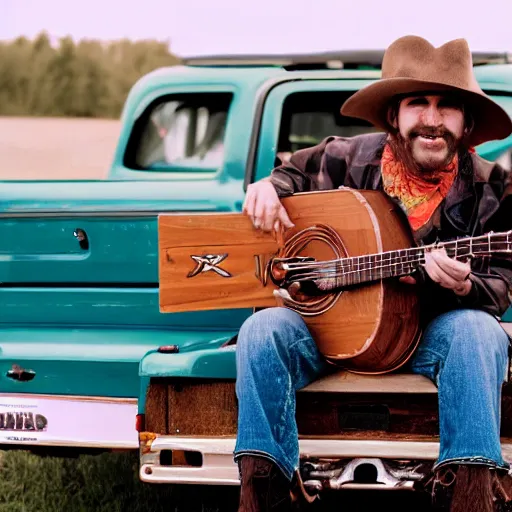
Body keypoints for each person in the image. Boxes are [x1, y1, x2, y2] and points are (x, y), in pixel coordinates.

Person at [234, 35, 512, 512]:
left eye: (447, 107)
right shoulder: (346, 158)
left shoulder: (495, 188)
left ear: (466, 122)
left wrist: (467, 285)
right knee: (261, 329)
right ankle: (266, 492)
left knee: (478, 331)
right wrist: (269, 187)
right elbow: (292, 173)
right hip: (332, 332)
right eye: (417, 104)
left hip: (429, 334)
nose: (431, 119)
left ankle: (469, 494)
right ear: (393, 116)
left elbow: (503, 281)